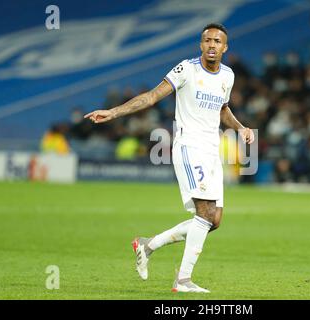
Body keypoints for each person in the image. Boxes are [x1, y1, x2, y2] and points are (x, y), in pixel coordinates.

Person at [84, 23, 254, 292]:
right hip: (189, 146)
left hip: (211, 150)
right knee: (205, 213)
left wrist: (241, 127)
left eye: (217, 41)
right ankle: (183, 280)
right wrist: (114, 112)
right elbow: (152, 97)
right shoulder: (186, 69)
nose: (211, 45)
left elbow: (222, 110)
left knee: (215, 219)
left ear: (225, 47)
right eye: (207, 40)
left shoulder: (228, 76)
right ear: (200, 45)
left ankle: (148, 244)